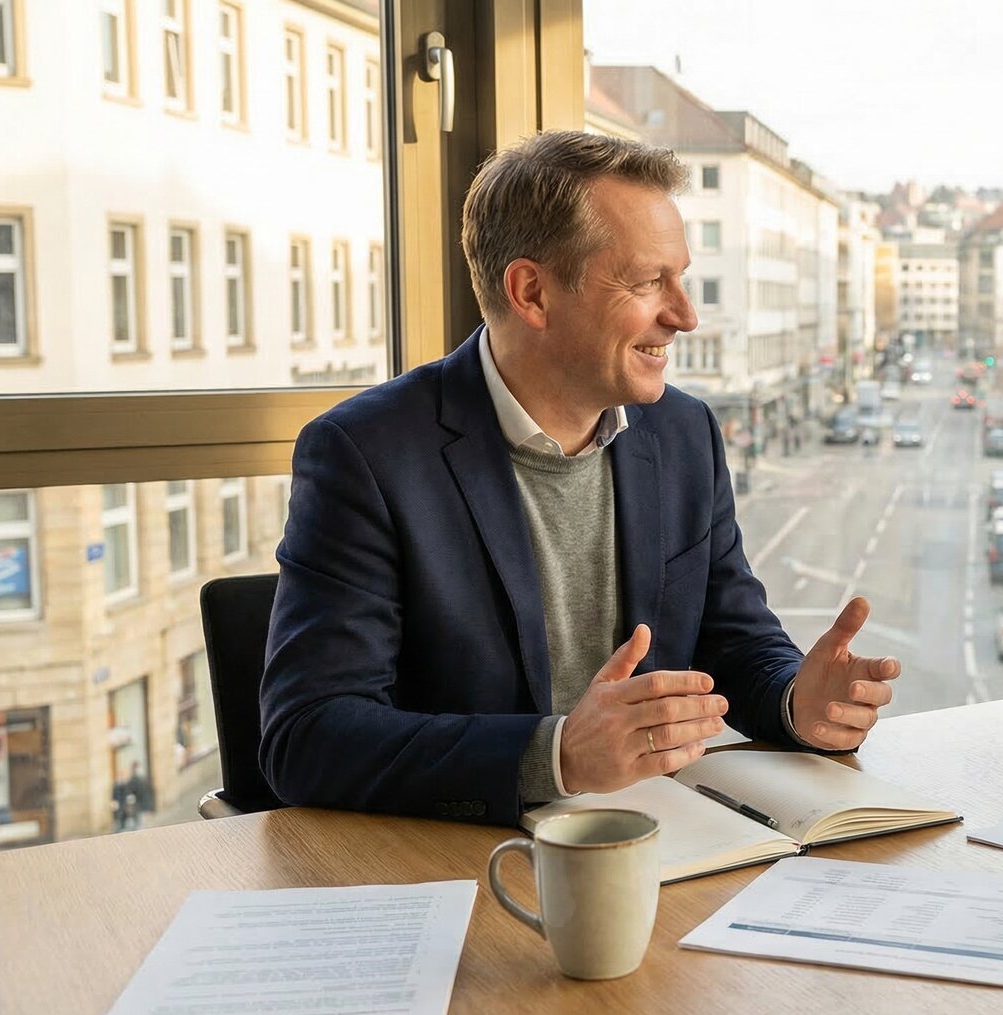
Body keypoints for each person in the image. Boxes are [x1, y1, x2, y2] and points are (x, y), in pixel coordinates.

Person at [260, 131, 900, 827]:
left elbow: (730, 637)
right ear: (532, 292)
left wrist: (795, 699)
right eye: (650, 281)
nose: (685, 315)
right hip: (465, 862)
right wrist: (557, 755)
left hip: (665, 845)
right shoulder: (366, 454)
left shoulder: (683, 433)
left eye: (681, 278)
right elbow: (308, 736)